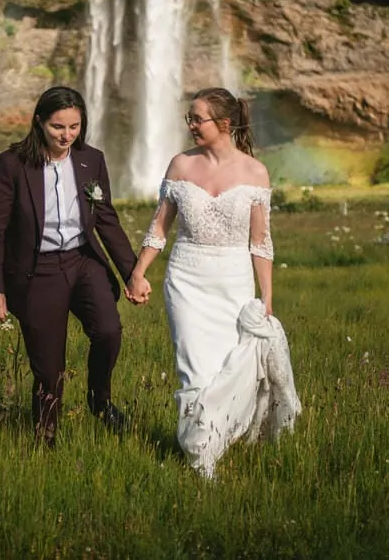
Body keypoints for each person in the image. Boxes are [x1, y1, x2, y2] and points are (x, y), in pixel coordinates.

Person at [126, 86, 300, 477]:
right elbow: (159, 228)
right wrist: (139, 272)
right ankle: (200, 456)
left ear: (224, 123)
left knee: (228, 368)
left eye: (196, 118)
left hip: (234, 283)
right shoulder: (180, 165)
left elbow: (261, 243)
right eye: (188, 118)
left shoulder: (255, 172)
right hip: (186, 279)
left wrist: (267, 298)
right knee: (194, 369)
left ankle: (216, 439)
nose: (189, 125)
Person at [0, 85, 139, 447]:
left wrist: (132, 274)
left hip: (83, 261)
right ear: (39, 123)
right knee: (49, 368)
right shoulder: (11, 164)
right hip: (39, 270)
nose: (66, 135)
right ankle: (45, 439)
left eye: (74, 126)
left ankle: (100, 400)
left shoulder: (91, 160)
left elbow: (106, 220)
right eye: (57, 127)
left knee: (109, 331)